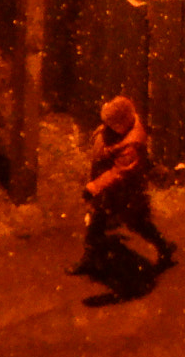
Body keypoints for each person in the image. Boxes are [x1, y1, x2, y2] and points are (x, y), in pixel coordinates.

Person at [70, 95, 176, 274]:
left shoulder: (130, 145)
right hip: (110, 191)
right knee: (97, 223)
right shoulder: (118, 129)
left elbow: (119, 173)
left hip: (124, 193)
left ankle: (163, 247)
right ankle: (90, 258)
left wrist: (94, 187)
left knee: (137, 223)